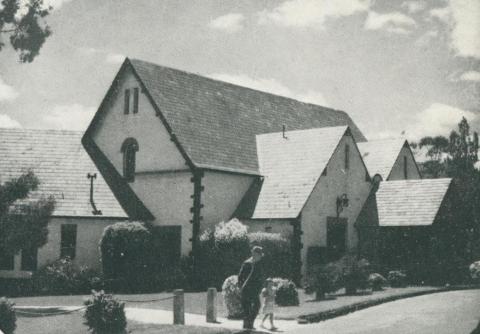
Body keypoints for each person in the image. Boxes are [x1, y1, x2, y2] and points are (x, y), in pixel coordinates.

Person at [238, 246, 264, 330]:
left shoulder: (258, 264)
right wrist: (240, 287)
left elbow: (260, 277)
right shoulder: (247, 263)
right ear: (255, 254)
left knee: (257, 306)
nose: (260, 257)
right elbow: (240, 276)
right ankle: (247, 326)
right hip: (246, 289)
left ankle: (249, 324)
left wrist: (260, 287)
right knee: (247, 308)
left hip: (254, 290)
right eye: (259, 255)